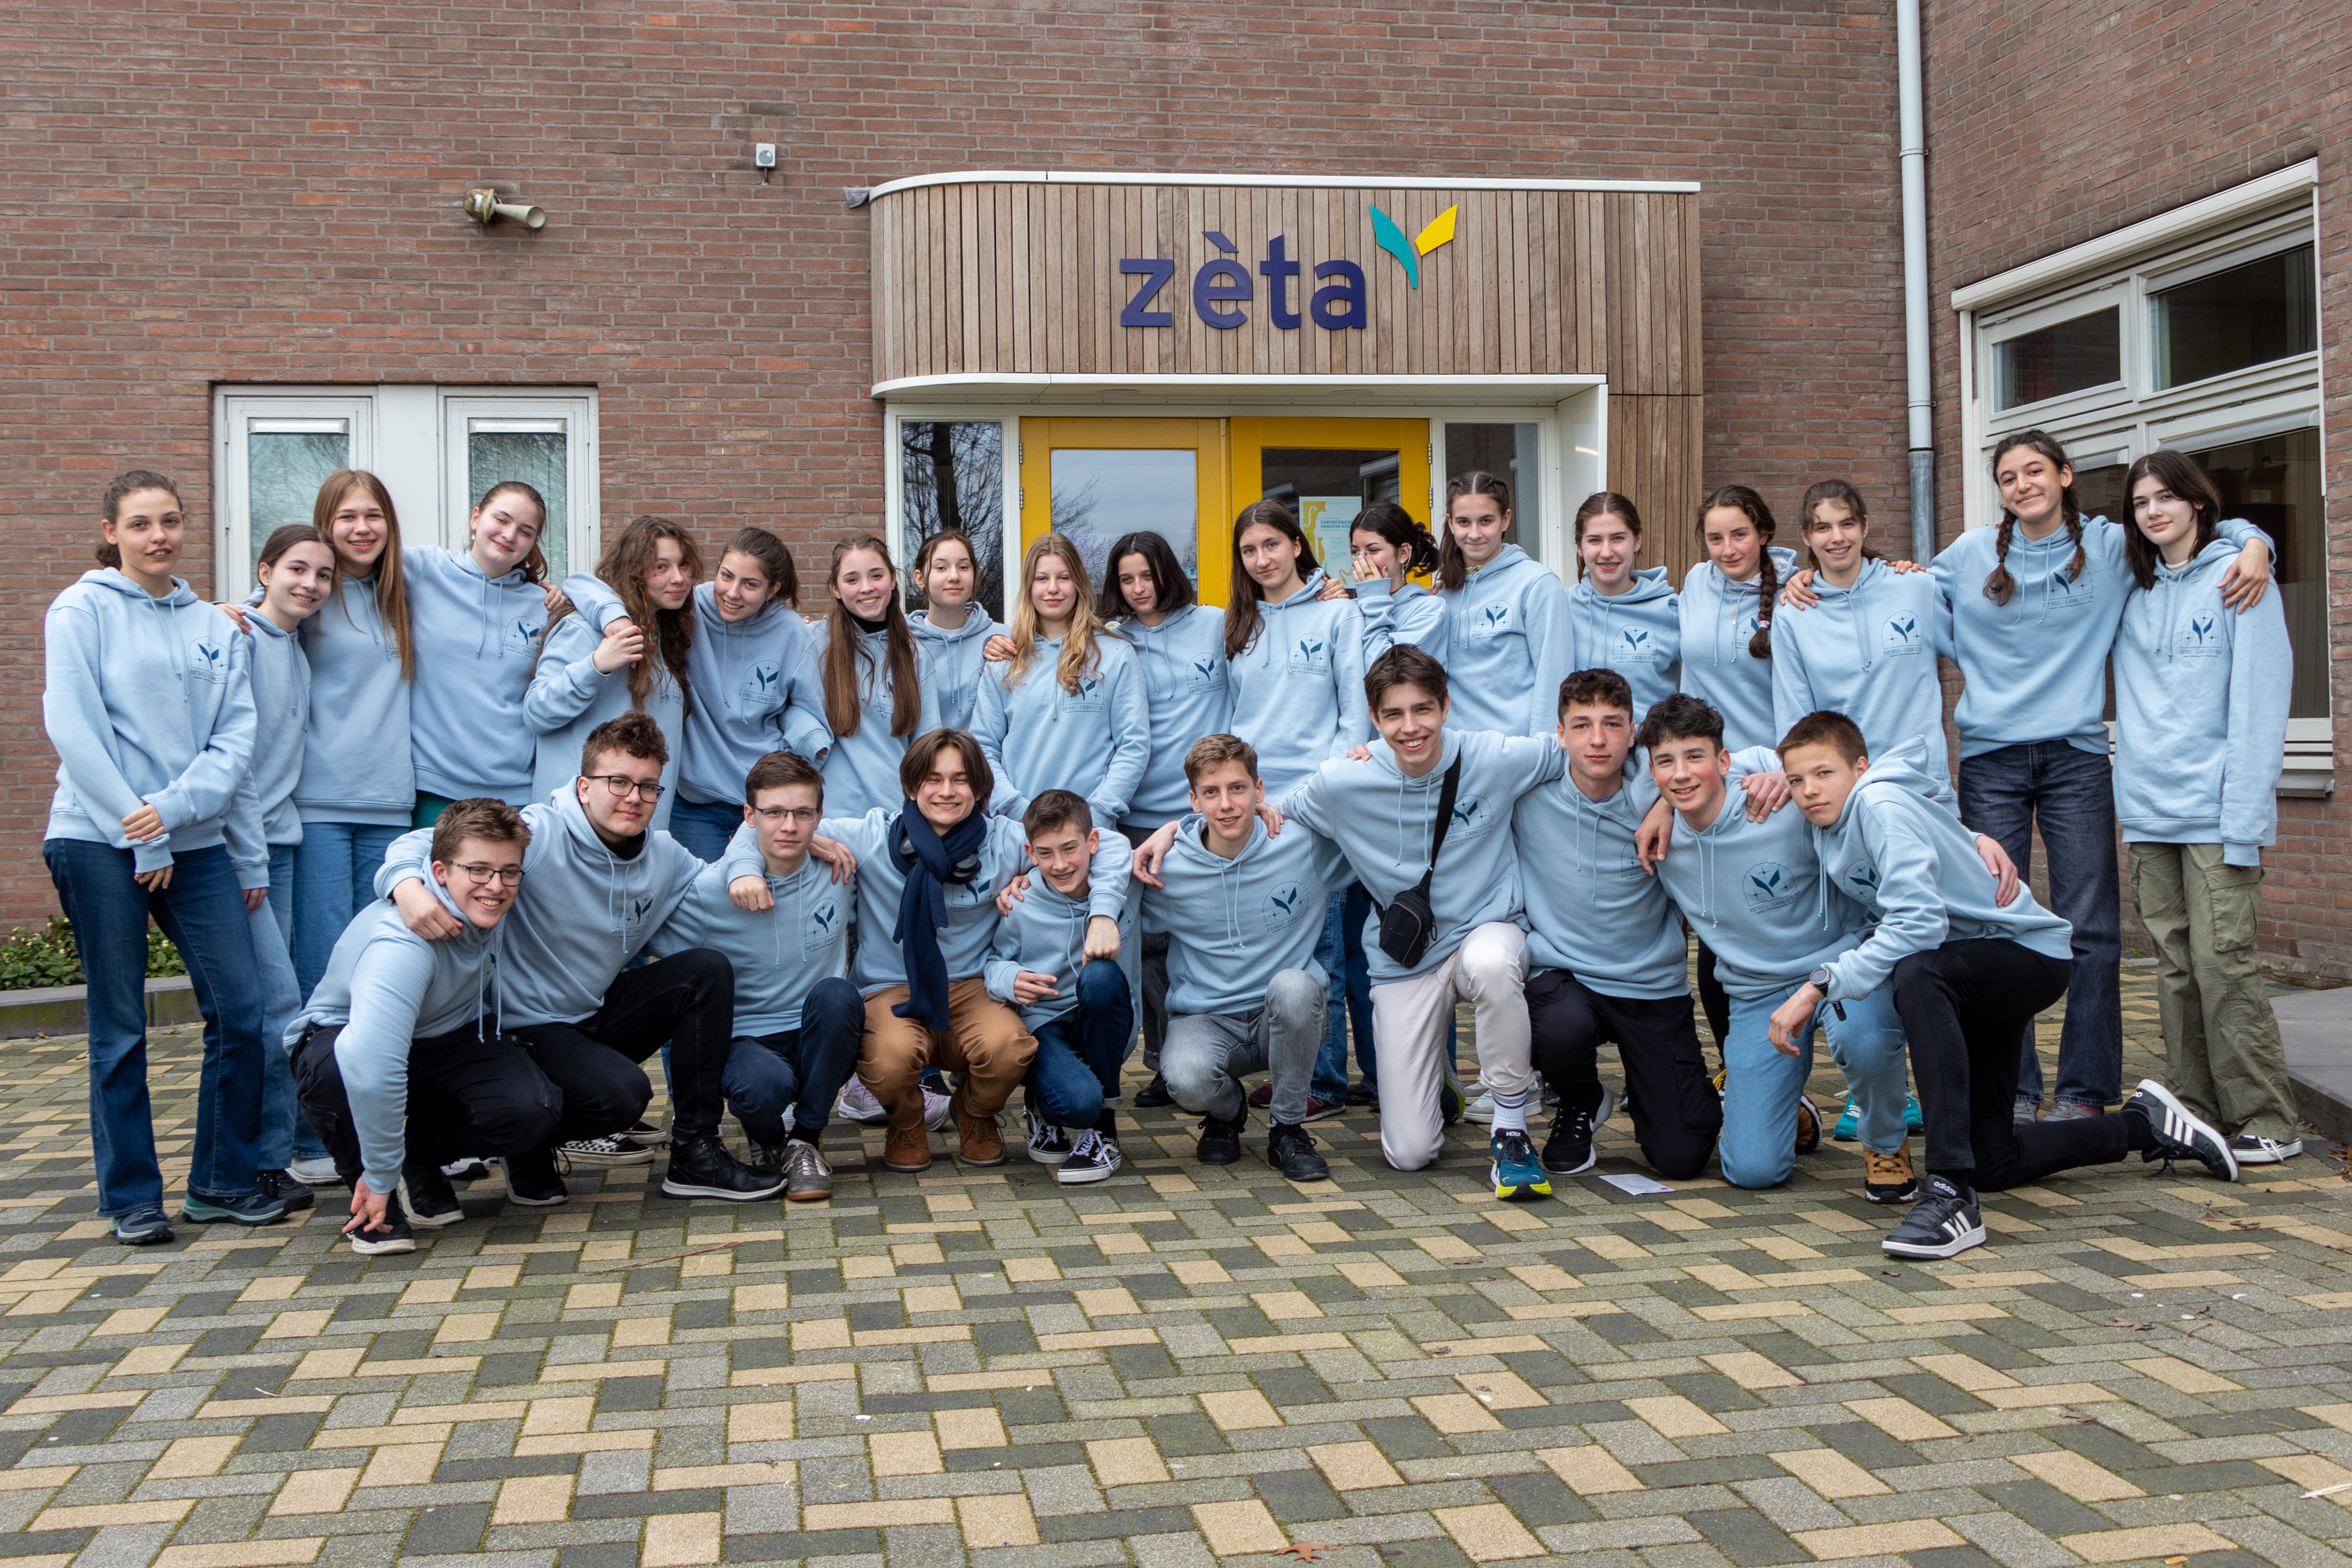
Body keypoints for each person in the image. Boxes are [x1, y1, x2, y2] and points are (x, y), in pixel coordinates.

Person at [1780, 711, 2237, 1261]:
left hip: (2024, 954)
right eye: (1795, 780)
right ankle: (2144, 1125)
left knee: (1916, 971)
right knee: (1993, 1160)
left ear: (1860, 768)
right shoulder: (1835, 820)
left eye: (1823, 773)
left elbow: (1918, 924)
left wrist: (1819, 985)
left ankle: (1949, 1191)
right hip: (1971, 970)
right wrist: (1970, 837)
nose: (1808, 790)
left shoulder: (1877, 803)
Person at [1928, 431, 2272, 1127]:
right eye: (2007, 477)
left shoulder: (2112, 546)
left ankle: (2085, 1091)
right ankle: (2011, 1090)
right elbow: (1896, 593)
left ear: (2064, 475)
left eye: (2034, 470)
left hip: (2076, 757)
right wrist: (1802, 576)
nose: (2022, 485)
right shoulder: (1969, 554)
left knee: (2090, 928)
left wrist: (2256, 541)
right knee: (1996, 923)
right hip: (1990, 759)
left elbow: (2196, 526)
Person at [1152, 647, 1563, 1191]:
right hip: (1407, 958)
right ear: (1374, 717)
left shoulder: (1494, 755)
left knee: (1492, 963)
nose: (1410, 726)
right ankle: (1432, 1076)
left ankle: (1509, 1125)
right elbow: (1249, 813)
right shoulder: (1343, 781)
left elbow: (1583, 754)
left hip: (1483, 932)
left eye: (1423, 709)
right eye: (1393, 714)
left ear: (1445, 706)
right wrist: (1175, 831)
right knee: (1409, 1152)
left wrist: (1654, 804)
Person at [376, 711, 787, 1206]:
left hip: (587, 1013)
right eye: (618, 781)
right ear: (584, 786)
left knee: (705, 969)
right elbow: (422, 842)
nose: (633, 797)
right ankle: (429, 1145)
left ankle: (695, 1154)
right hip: (518, 1025)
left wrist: (775, 847)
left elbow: (721, 881)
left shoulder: (665, 855)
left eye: (648, 786)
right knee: (622, 1096)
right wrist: (406, 886)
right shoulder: (540, 833)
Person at [44, 470, 288, 1244]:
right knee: (120, 1023)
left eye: (171, 521)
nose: (159, 536)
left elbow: (236, 741)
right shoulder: (80, 609)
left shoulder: (214, 625)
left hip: (197, 841)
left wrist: (179, 816)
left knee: (242, 1010)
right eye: (141, 523)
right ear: (111, 532)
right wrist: (140, 829)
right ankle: (130, 1197)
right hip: (96, 838)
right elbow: (74, 728)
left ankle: (220, 1182)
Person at [726, 729, 1133, 1171]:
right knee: (889, 1058)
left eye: (960, 779)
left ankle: (974, 1112)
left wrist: (1103, 914)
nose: (946, 791)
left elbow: (1107, 843)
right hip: (889, 988)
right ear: (911, 785)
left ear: (979, 787)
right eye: (933, 779)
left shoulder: (1003, 839)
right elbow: (765, 825)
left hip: (974, 988)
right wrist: (749, 866)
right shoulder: (872, 836)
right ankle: (906, 1122)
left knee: (1009, 1047)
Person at [1640, 694, 1913, 1198]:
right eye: (1665, 762)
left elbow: (1873, 787)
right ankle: (1789, 1112)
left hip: (1840, 967)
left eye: (1695, 757)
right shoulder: (1658, 837)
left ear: (1725, 761)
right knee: (1752, 1171)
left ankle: (1885, 1140)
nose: (1680, 774)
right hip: (1758, 993)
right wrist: (1661, 806)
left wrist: (1968, 839)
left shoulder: (1781, 802)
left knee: (1865, 1042)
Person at [2113, 449, 2298, 1164]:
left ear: (2196, 500)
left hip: (2218, 813)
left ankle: (2266, 1117)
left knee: (2224, 964)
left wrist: (2253, 541)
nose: (2153, 511)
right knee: (2173, 966)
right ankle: (2194, 1107)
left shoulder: (2240, 577)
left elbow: (2259, 705)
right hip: (2149, 811)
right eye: (2140, 502)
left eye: (2166, 496)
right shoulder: (2131, 590)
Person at [288, 798, 562, 1255]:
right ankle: (373, 1194)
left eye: (509, 872)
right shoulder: (401, 944)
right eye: (479, 870)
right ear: (439, 872)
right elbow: (372, 1066)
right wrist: (380, 1172)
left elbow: (427, 840)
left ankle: (414, 1154)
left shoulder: (478, 894)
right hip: (347, 1042)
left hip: (445, 1035)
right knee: (340, 1072)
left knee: (532, 1112)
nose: (495, 886)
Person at [1516, 670, 1717, 1180]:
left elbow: (1742, 766)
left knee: (1681, 1156)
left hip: (1649, 985)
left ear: (1632, 733)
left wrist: (1666, 803)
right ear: (1560, 734)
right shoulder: (1526, 795)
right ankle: (1581, 1100)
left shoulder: (1664, 793)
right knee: (1556, 1024)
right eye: (1581, 725)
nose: (1597, 740)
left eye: (1612, 724)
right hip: (1566, 977)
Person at [648, 750, 862, 1200]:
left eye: (802, 813)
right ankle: (768, 1140)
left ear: (819, 815)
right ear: (750, 815)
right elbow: (645, 944)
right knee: (763, 1088)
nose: (789, 826)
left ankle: (804, 1141)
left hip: (814, 1031)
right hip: (746, 1039)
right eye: (774, 813)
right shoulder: (711, 892)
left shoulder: (839, 869)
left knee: (840, 995)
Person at [1136, 735, 1348, 1181]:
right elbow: (1093, 874)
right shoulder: (1166, 866)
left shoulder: (1301, 843)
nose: (1226, 804)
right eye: (1211, 792)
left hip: (1283, 1014)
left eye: (1238, 788)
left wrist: (1369, 757)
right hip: (1206, 1018)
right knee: (1186, 1080)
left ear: (1259, 789)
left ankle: (1287, 1129)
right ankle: (1227, 1112)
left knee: (1296, 986)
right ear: (1193, 800)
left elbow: (1369, 822)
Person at [1224, 499, 1371, 1122]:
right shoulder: (1239, 623)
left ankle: (1326, 1082)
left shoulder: (1338, 613)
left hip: (1314, 809)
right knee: (1276, 947)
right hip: (1255, 810)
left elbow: (1353, 718)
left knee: (1322, 950)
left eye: (1271, 544)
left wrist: (1315, 794)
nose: (1261, 559)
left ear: (1296, 543)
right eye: (1249, 550)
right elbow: (1230, 720)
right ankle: (1294, 1072)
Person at [226, 524, 339, 1196]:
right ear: (265, 571)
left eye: (322, 574)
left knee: (288, 999)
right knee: (275, 1004)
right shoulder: (238, 635)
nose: (310, 583)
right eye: (297, 568)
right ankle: (269, 1160)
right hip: (245, 849)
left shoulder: (293, 644)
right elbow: (231, 758)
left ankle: (292, 1145)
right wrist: (247, 858)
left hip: (283, 842)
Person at [1102, 530, 1229, 1110]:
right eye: (1126, 579)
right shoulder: (1111, 639)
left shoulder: (1217, 624)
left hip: (1201, 811)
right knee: (1150, 948)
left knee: (1198, 940)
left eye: (1147, 575)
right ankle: (1162, 1063)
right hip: (1138, 814)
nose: (1138, 588)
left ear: (1168, 572)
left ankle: (1210, 1055)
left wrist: (1329, 589)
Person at [1674, 485, 1798, 1057]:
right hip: (1710, 782)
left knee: (1777, 920)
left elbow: (1802, 693)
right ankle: (1735, 1068)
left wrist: (1786, 769)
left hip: (1770, 784)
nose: (1727, 549)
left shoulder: (1797, 590)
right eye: (1715, 537)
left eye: (1739, 535)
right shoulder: (1694, 583)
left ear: (1763, 534)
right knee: (1717, 931)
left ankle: (1814, 1063)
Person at [282, 469, 416, 996]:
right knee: (323, 960)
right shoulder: (310, 590)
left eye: (373, 515)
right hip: (320, 804)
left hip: (390, 805)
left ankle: (367, 1054)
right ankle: (313, 1054)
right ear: (326, 523)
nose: (362, 528)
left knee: (378, 956)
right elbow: (257, 617)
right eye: (348, 517)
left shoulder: (404, 590)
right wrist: (225, 613)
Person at [632, 526, 831, 862]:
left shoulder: (792, 633)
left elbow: (810, 712)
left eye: (750, 584)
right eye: (726, 576)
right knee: (705, 892)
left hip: (763, 802)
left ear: (773, 589)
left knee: (763, 893)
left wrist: (789, 783)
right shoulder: (688, 607)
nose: (733, 593)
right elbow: (610, 584)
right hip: (694, 804)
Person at [984, 790, 1138, 1183]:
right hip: (1045, 1023)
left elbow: (1126, 844)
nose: (1060, 864)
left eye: (1070, 848)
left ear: (1093, 842)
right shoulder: (1020, 900)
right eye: (1046, 853)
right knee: (1077, 1104)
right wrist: (1009, 979)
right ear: (1030, 853)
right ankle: (1043, 1103)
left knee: (1100, 974)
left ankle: (1103, 1130)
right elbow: (993, 961)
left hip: (1104, 1022)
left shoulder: (1123, 883)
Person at [1772, 481, 1955, 801]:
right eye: (1823, 528)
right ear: (1806, 536)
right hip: (1844, 799)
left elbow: (1978, 652)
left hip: (1924, 789)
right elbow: (1795, 718)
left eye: (1847, 524)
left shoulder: (1916, 589)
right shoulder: (1792, 614)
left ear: (1865, 526)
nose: (1837, 537)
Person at [530, 515, 702, 832]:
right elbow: (537, 712)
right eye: (661, 567)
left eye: (684, 565)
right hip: (576, 830)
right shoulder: (585, 630)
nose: (678, 578)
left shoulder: (666, 636)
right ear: (634, 571)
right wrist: (597, 665)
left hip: (638, 833)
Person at [403, 481, 557, 822]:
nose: (509, 535)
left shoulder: (543, 604)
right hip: (433, 786)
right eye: (501, 519)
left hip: (514, 793)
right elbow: (348, 561)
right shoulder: (425, 570)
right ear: (476, 518)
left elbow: (595, 593)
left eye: (525, 531)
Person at [973, 533, 1149, 831]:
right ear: (1029, 587)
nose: (1052, 588)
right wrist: (1016, 811)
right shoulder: (1005, 660)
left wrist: (1098, 816)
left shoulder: (1116, 655)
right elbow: (983, 747)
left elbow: (1133, 745)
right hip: (1017, 830)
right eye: (1042, 579)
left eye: (1064, 578)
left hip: (1092, 832)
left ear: (1078, 584)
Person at [1432, 471, 1574, 739]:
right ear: (1450, 523)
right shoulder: (1442, 595)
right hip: (1454, 751)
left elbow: (1555, 679)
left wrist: (1544, 753)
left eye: (1486, 521)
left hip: (1516, 751)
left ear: (1505, 520)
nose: (1474, 534)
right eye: (1464, 522)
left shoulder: (1537, 584)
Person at [815, 533, 926, 821]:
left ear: (893, 579)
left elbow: (927, 746)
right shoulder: (811, 643)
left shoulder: (916, 654)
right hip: (829, 822)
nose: (866, 588)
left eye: (876, 576)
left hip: (897, 819)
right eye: (852, 579)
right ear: (835, 589)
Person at [1566, 492, 1680, 729]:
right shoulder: (1560, 608)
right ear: (1580, 547)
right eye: (1595, 540)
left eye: (1618, 538)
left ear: (1637, 541)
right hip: (1582, 749)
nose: (1607, 552)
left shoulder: (1671, 610)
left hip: (1652, 749)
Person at [909, 530, 1006, 733]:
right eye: (941, 568)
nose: (954, 576)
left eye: (963, 567)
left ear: (975, 575)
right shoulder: (901, 642)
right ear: (920, 578)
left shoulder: (1005, 640)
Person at [1347, 500, 1446, 658]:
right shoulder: (1350, 610)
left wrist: (1374, 601)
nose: (1362, 560)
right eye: (1355, 552)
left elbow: (1383, 667)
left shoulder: (1431, 610)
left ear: (1403, 553)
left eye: (1373, 550)